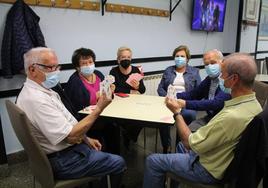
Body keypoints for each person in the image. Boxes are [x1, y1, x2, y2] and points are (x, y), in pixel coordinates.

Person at [143, 53, 262, 188]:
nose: (220, 78)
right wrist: (175, 97)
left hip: (208, 169)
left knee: (153, 161)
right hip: (222, 157)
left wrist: (176, 112)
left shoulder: (231, 116)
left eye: (222, 74)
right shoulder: (255, 105)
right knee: (180, 146)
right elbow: (195, 95)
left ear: (234, 79)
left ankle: (186, 173)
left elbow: (189, 142)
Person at [16, 47, 126, 187]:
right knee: (118, 162)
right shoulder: (36, 100)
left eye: (57, 66)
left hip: (64, 149)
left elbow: (67, 120)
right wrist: (99, 107)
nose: (57, 71)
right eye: (51, 67)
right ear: (32, 70)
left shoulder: (43, 90)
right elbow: (71, 136)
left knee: (109, 133)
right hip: (63, 159)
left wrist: (86, 138)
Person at [64, 47, 120, 154]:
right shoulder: (74, 81)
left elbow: (107, 96)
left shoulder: (98, 74)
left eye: (90, 62)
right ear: (77, 67)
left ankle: (114, 156)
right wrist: (96, 96)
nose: (89, 65)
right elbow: (78, 107)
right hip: (86, 120)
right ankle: (104, 157)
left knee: (114, 127)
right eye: (84, 63)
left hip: (103, 113)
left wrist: (110, 91)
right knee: (109, 128)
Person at [157, 45, 201, 153]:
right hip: (169, 101)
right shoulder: (168, 70)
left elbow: (199, 91)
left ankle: (180, 145)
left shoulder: (194, 72)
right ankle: (166, 146)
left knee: (189, 114)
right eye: (177, 56)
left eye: (182, 56)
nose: (179, 58)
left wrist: (183, 101)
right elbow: (160, 88)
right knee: (162, 118)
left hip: (185, 102)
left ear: (187, 58)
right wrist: (168, 97)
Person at [176, 49, 231, 132]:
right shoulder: (209, 79)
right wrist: (174, 95)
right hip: (211, 118)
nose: (209, 66)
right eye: (206, 64)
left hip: (223, 121)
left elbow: (214, 104)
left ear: (222, 62)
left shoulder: (227, 81)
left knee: (190, 135)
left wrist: (185, 104)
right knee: (187, 130)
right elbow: (193, 94)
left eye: (213, 62)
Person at [109, 46, 146, 149]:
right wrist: (131, 90)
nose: (126, 59)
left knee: (141, 118)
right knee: (122, 120)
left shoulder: (136, 70)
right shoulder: (114, 71)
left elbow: (142, 90)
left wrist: (138, 86)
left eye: (128, 57)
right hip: (119, 103)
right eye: (123, 57)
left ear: (131, 59)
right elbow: (114, 89)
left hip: (134, 103)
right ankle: (127, 136)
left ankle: (128, 136)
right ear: (118, 59)